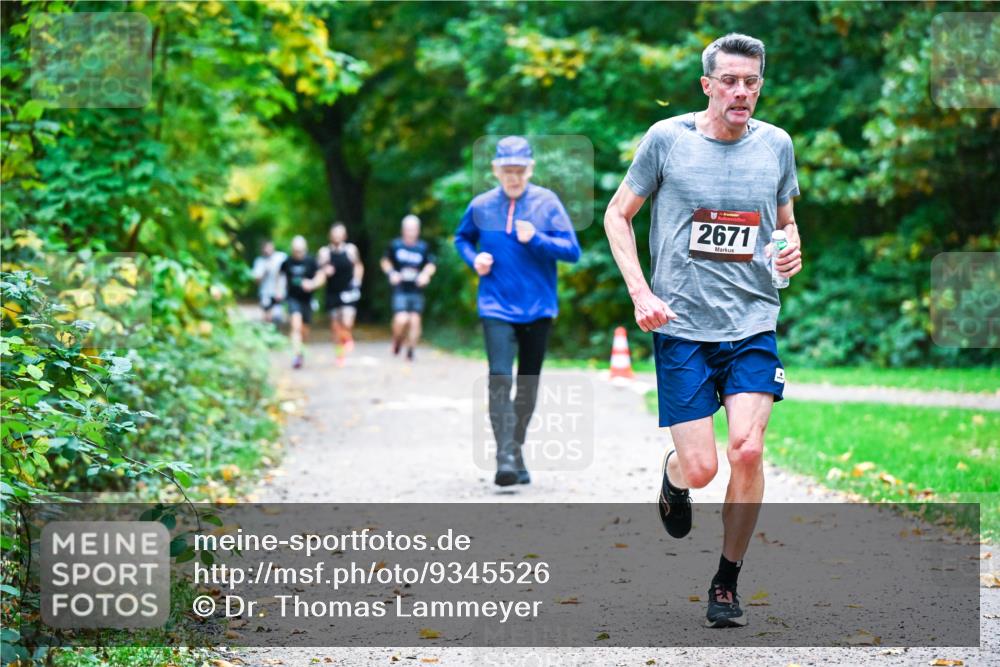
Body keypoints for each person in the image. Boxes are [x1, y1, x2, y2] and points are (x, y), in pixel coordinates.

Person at [603, 34, 803, 628]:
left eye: (752, 82)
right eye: (732, 81)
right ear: (708, 86)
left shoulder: (776, 146)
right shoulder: (668, 140)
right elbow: (618, 214)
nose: (743, 92)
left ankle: (726, 581)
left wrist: (790, 253)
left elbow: (786, 225)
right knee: (702, 468)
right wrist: (641, 292)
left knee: (747, 447)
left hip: (752, 322)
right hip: (683, 326)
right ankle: (673, 477)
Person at [454, 136, 581, 487]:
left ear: (530, 169)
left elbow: (572, 251)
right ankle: (505, 456)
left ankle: (516, 449)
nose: (514, 177)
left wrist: (537, 238)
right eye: (507, 170)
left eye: (520, 170)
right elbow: (461, 238)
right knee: (499, 378)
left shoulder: (547, 203)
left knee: (526, 386)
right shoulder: (481, 205)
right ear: (496, 170)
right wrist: (473, 258)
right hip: (495, 304)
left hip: (538, 307)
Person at [380, 214, 436, 361]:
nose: (411, 232)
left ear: (418, 230)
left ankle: (411, 350)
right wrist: (391, 273)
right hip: (400, 289)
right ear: (403, 230)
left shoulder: (423, 247)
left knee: (415, 320)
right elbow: (385, 261)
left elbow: (431, 264)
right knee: (401, 319)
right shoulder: (395, 245)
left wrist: (425, 274)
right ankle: (397, 340)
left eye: (414, 229)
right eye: (408, 229)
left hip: (416, 289)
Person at [318, 223, 364, 366]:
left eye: (340, 233)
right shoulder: (324, 252)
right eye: (335, 233)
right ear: (330, 235)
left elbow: (358, 266)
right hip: (332, 292)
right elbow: (318, 269)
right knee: (335, 327)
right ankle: (340, 355)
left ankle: (348, 338)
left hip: (348, 291)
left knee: (347, 320)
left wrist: (357, 281)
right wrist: (325, 270)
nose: (337, 236)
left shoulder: (351, 250)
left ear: (344, 235)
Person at [279, 235, 324, 369]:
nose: (298, 253)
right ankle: (296, 355)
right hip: (293, 298)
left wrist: (312, 284)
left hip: (307, 299)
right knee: (295, 325)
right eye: (296, 251)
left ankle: (301, 351)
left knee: (305, 330)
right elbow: (281, 277)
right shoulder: (287, 262)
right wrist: (279, 291)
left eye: (301, 250)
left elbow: (321, 276)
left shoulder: (311, 261)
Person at [251, 240, 286, 324]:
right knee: (267, 316)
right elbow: (256, 280)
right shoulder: (259, 261)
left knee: (277, 317)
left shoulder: (281, 257)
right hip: (265, 292)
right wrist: (265, 272)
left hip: (279, 292)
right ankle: (268, 332)